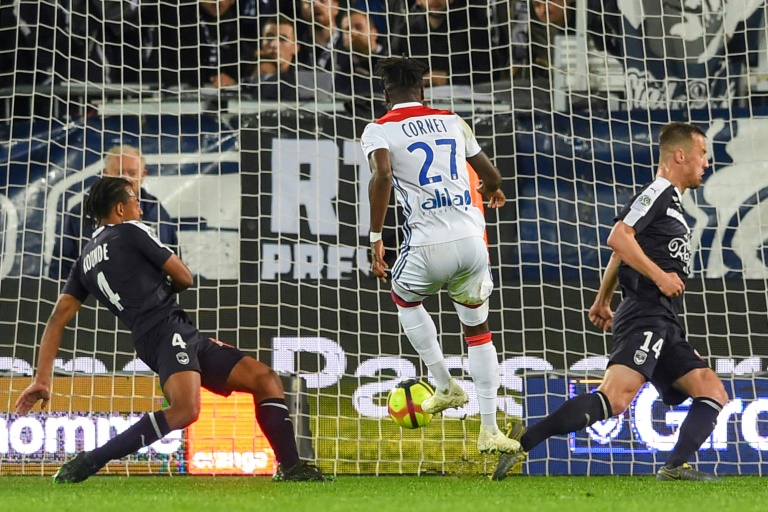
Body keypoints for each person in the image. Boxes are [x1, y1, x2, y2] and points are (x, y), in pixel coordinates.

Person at [16, 177, 325, 483]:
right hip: (166, 330)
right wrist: (171, 285)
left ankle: (291, 467)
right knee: (185, 410)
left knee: (264, 378)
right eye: (135, 201)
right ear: (120, 209)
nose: (140, 208)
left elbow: (57, 319)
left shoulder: (84, 260)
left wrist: (42, 378)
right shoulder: (131, 230)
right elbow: (185, 277)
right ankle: (92, 460)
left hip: (166, 334)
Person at [491, 122, 729, 482]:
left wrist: (602, 300)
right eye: (702, 154)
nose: (706, 162)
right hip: (646, 314)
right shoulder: (658, 190)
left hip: (662, 319)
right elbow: (618, 237)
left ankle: (675, 467)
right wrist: (660, 276)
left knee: (711, 389)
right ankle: (523, 441)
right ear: (680, 155)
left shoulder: (672, 203)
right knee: (615, 399)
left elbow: (623, 254)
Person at [361, 57, 521, 455]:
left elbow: (383, 175)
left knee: (404, 296)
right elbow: (493, 177)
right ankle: (490, 431)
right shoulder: (452, 120)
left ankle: (445, 384)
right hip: (472, 242)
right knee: (478, 330)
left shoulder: (378, 128)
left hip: (427, 243)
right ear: (422, 90)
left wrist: (376, 237)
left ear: (386, 95)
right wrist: (490, 190)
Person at [49, 145, 178, 280]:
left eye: (132, 173)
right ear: (106, 174)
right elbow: (61, 266)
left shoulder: (157, 214)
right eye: (119, 172)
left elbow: (174, 261)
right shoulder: (80, 213)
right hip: (92, 291)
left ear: (143, 175)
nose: (126, 179)